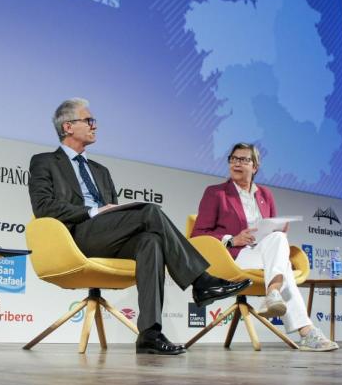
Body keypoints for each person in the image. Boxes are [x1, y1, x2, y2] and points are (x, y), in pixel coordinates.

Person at [28, 98, 252, 355]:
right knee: (149, 211)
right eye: (89, 120)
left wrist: (108, 212)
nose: (95, 126)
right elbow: (44, 207)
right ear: (68, 126)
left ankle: (149, 334)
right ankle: (201, 280)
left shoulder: (101, 170)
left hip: (106, 235)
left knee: (151, 241)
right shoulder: (44, 161)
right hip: (75, 236)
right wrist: (93, 211)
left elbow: (116, 215)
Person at [192, 143, 338, 351]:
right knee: (283, 265)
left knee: (278, 238)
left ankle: (276, 297)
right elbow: (198, 234)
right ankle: (305, 329)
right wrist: (232, 239)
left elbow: (270, 235)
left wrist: (279, 229)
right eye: (233, 159)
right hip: (233, 256)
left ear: (255, 167)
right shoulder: (216, 193)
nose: (237, 163)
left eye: (244, 159)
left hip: (263, 255)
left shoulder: (265, 195)